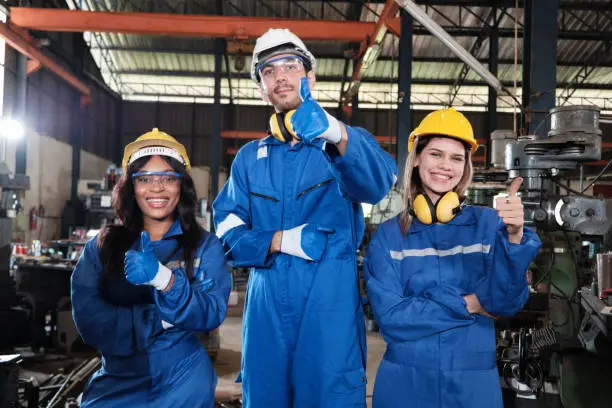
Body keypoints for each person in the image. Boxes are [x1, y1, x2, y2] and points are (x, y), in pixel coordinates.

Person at [213, 28, 397, 407]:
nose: (279, 76)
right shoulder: (249, 159)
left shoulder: (341, 142)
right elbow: (226, 231)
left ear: (310, 76)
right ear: (261, 86)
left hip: (327, 308)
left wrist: (333, 130)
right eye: (267, 70)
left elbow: (379, 184)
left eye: (290, 65)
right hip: (265, 313)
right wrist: (279, 241)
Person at [363, 108, 542, 407]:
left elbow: (505, 302)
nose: (446, 166)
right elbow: (392, 319)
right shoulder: (389, 236)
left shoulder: (488, 225)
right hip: (405, 385)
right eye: (436, 154)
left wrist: (513, 236)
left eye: (457, 158)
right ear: (417, 158)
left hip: (473, 386)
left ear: (466, 166)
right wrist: (470, 303)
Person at [71, 128, 231, 407]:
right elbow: (90, 321)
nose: (157, 188)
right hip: (117, 381)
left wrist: (163, 278)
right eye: (145, 178)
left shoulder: (204, 246)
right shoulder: (103, 246)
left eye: (168, 178)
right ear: (131, 186)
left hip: (183, 380)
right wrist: (159, 320)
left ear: (182, 185)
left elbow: (210, 313)